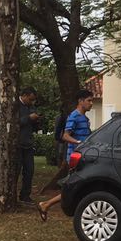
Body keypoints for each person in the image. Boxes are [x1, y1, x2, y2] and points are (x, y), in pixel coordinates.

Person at [37, 89, 94, 220]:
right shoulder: (74, 116)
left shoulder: (84, 118)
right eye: (89, 101)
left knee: (78, 185)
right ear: (80, 101)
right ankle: (46, 204)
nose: (91, 103)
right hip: (75, 158)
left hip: (82, 157)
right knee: (74, 186)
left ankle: (47, 205)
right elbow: (65, 135)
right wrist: (79, 142)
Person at [17, 86, 42, 206]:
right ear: (24, 96)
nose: (31, 102)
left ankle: (25, 195)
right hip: (17, 143)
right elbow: (15, 122)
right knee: (16, 170)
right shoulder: (15, 106)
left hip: (28, 142)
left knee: (29, 170)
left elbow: (33, 126)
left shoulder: (31, 107)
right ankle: (10, 193)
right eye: (30, 99)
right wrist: (28, 118)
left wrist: (36, 121)